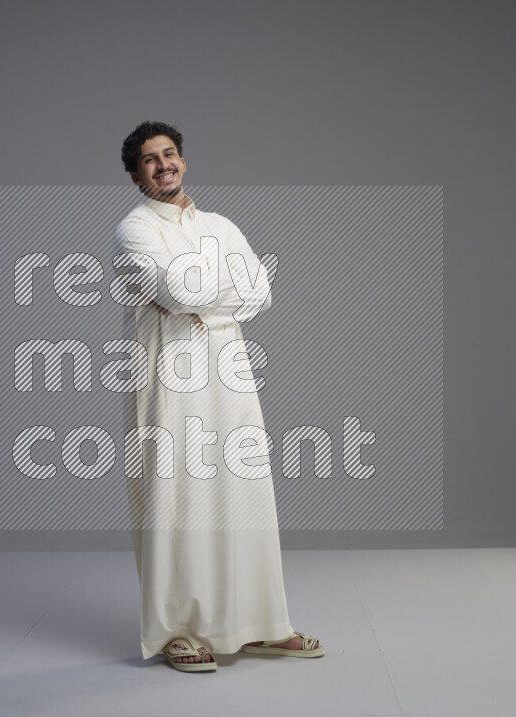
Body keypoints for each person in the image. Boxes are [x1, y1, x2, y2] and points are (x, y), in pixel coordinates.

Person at [113, 121, 323, 672]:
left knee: (243, 489)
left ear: (183, 160)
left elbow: (261, 289)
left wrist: (196, 301)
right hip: (168, 375)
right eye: (151, 160)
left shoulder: (221, 225)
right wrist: (212, 294)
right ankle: (176, 632)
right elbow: (176, 289)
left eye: (171, 154)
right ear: (137, 175)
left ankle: (258, 625)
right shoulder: (133, 229)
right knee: (176, 493)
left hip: (229, 372)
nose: (164, 165)